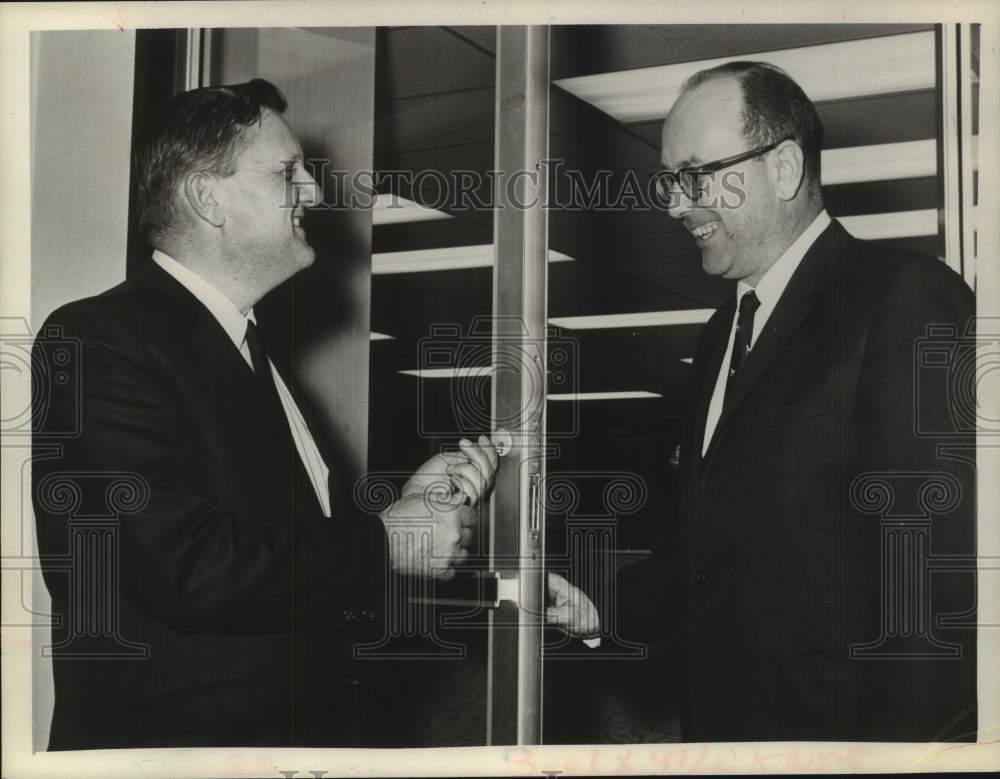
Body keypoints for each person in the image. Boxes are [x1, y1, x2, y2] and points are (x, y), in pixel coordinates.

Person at [31, 78, 500, 750]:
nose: (312, 192)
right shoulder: (99, 340)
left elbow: (272, 556)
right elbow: (182, 567)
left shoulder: (250, 353)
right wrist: (388, 542)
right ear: (206, 197)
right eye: (287, 172)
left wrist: (402, 510)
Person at [554, 61, 977, 742]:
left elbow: (934, 584)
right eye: (669, 180)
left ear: (782, 168)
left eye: (695, 175)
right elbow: (705, 550)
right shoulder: (723, 331)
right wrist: (602, 602)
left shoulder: (904, 299)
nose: (674, 204)